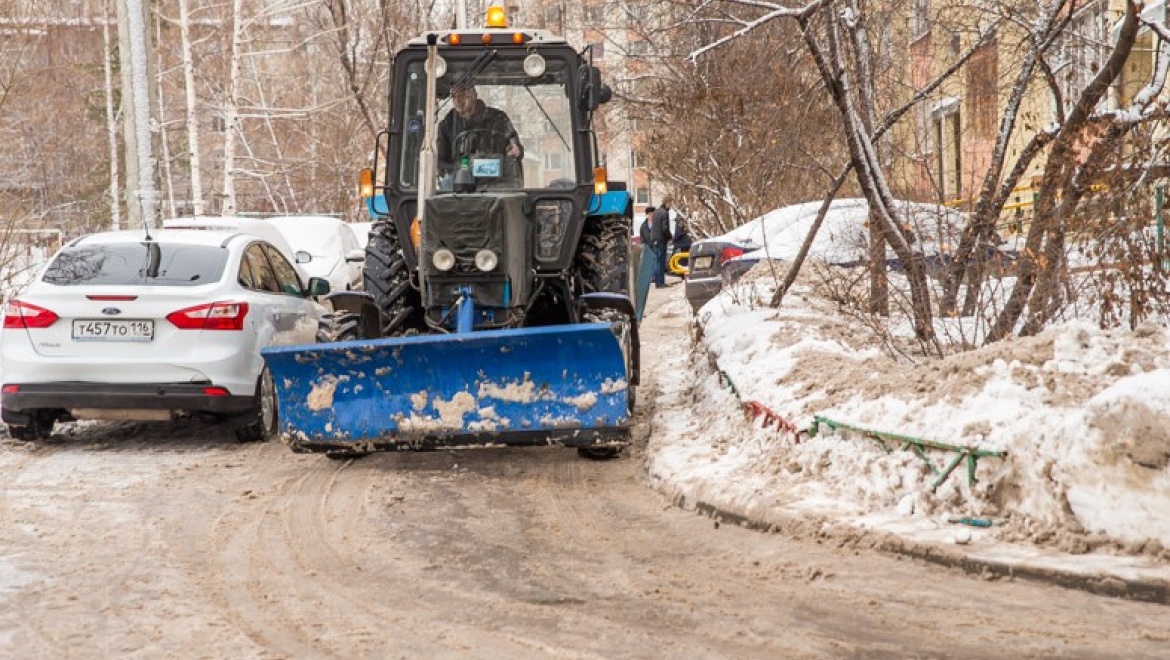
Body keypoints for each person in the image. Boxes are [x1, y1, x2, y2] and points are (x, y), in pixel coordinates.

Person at [435, 85, 524, 182]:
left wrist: (515, 150)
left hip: (497, 186)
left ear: (474, 96)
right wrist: (462, 169)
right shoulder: (447, 125)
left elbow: (515, 148)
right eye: (454, 96)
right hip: (460, 187)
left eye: (464, 95)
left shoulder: (498, 119)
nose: (458, 101)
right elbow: (441, 163)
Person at [650, 199, 675, 288]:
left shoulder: (656, 212)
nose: (671, 206)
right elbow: (665, 228)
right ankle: (660, 283)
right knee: (661, 261)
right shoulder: (664, 213)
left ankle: (657, 281)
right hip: (661, 239)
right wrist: (669, 236)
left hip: (654, 239)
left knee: (657, 261)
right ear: (667, 203)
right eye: (670, 204)